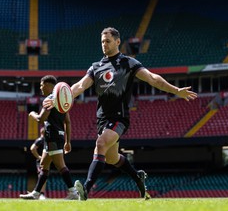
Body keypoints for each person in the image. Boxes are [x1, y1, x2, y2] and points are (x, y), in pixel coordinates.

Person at [44, 27, 198, 200]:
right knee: (111, 158)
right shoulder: (96, 67)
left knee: (100, 144)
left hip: (119, 118)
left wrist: (176, 90)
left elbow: (152, 78)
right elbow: (79, 87)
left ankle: (85, 189)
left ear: (118, 42)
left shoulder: (128, 63)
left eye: (108, 41)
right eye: (102, 41)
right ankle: (137, 177)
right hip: (102, 119)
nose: (104, 44)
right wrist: (58, 99)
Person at [20, 75, 78, 200]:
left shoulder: (49, 99)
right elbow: (67, 121)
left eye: (41, 85)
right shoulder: (61, 100)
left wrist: (32, 114)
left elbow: (41, 119)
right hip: (56, 136)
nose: (40, 88)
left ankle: (73, 192)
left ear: (47, 85)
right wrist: (68, 141)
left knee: (60, 166)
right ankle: (36, 193)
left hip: (52, 135)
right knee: (43, 165)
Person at [29, 127, 47, 200]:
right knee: (42, 176)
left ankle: (39, 193)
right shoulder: (40, 140)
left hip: (45, 161)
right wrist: (39, 157)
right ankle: (40, 194)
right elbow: (32, 148)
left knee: (44, 177)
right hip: (41, 162)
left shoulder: (45, 140)